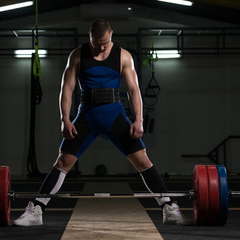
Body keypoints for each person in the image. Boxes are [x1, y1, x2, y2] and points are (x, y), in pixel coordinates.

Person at [13, 19, 191, 227]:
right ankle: (36, 211)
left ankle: (168, 208)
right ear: (90, 36)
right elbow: (67, 89)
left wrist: (139, 119)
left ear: (111, 35)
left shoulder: (123, 56)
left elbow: (133, 90)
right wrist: (65, 118)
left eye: (105, 43)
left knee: (142, 160)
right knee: (62, 162)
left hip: (114, 115)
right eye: (97, 43)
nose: (101, 47)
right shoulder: (77, 55)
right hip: (86, 116)